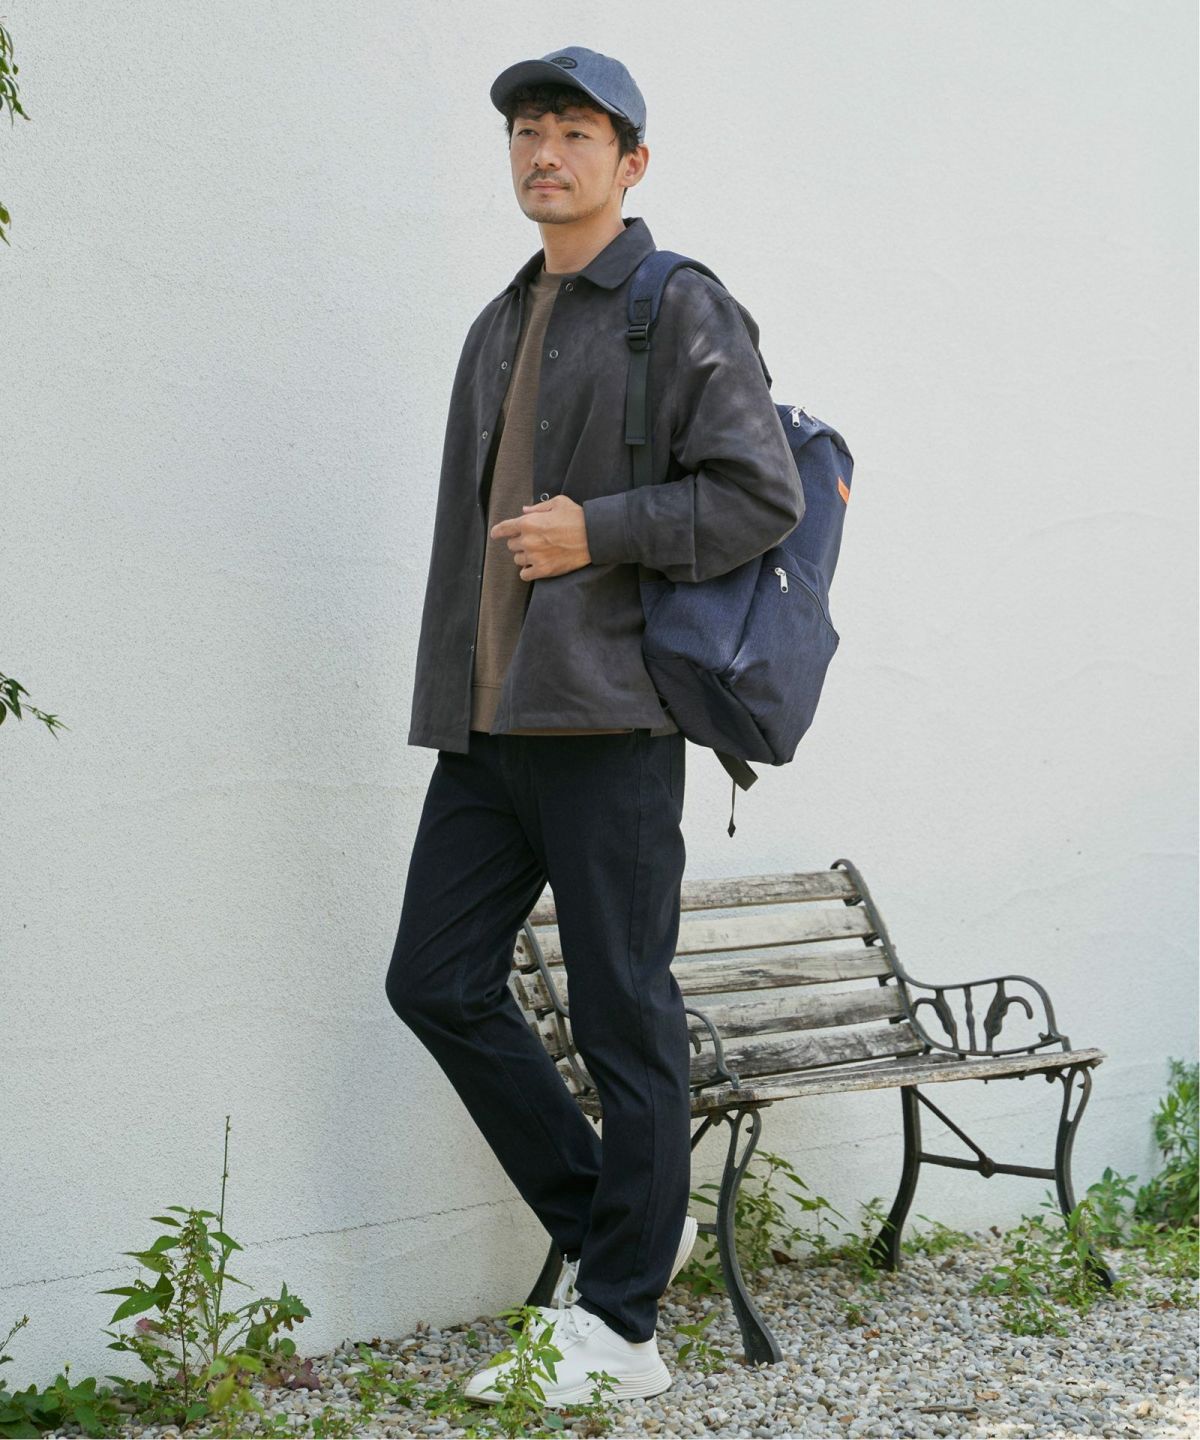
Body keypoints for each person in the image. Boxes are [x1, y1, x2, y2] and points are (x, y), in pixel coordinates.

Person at [385, 44, 804, 1407]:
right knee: (435, 980)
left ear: (631, 161)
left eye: (573, 131)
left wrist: (599, 531)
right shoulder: (499, 321)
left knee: (626, 1016)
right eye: (526, 131)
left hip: (611, 723)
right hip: (490, 726)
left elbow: (764, 494)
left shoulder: (678, 307)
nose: (544, 152)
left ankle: (623, 1333)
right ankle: (614, 1230)